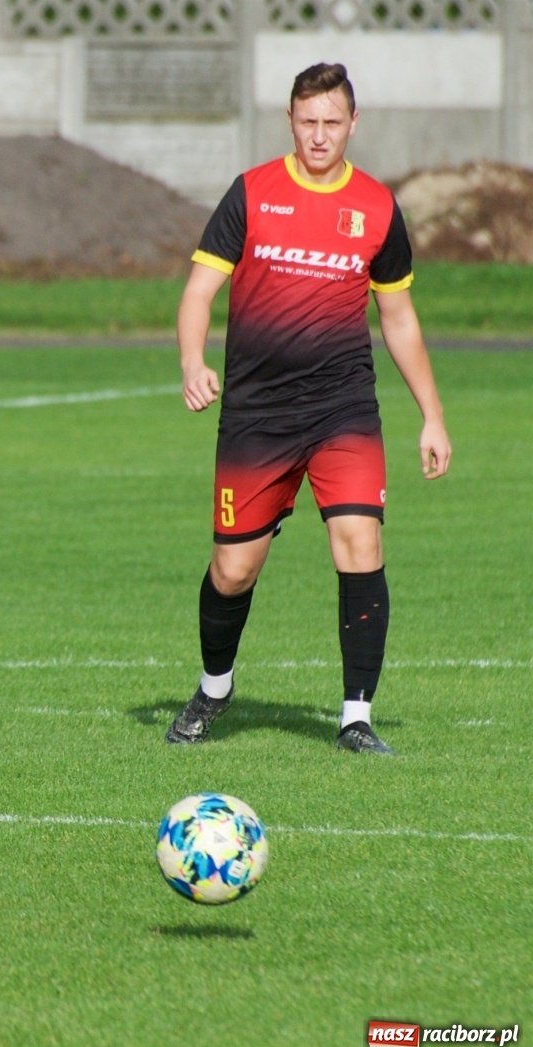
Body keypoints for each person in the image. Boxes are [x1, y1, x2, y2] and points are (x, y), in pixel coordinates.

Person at [167, 63, 451, 754]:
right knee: (234, 569)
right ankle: (214, 689)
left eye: (332, 122)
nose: (319, 135)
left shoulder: (377, 207)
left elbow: (401, 319)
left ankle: (355, 717)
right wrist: (192, 361)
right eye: (307, 121)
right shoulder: (253, 194)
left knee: (361, 545)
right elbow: (200, 292)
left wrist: (432, 415)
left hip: (342, 408)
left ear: (354, 124)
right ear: (290, 122)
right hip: (257, 415)